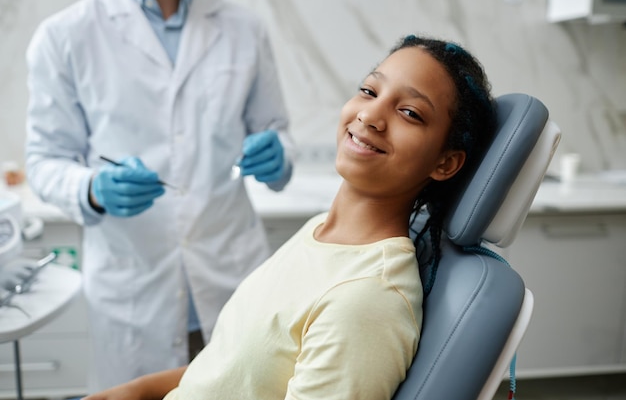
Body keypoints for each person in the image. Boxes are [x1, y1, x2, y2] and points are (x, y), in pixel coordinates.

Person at [82, 34, 497, 400]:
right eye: (369, 91)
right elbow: (228, 371)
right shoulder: (320, 232)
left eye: (410, 113)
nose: (369, 116)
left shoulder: (367, 300)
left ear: (445, 163)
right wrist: (135, 391)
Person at [24, 0, 294, 391]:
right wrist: (93, 188)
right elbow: (44, 159)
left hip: (230, 275)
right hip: (133, 290)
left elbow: (276, 132)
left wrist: (279, 156)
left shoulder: (244, 27)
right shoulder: (65, 34)